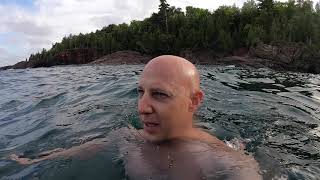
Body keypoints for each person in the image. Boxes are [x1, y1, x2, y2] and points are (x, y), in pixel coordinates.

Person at [10, 55, 262, 179]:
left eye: (159, 94)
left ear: (194, 101)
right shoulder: (129, 138)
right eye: (140, 92)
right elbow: (88, 149)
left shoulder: (227, 163)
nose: (142, 107)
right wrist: (35, 161)